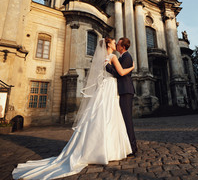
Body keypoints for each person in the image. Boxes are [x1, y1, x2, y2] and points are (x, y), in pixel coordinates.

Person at [12, 37, 134, 180]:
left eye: (116, 42)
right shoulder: (112, 56)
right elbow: (121, 73)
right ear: (108, 44)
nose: (115, 44)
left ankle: (98, 147)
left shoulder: (102, 58)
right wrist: (132, 67)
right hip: (110, 88)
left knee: (99, 116)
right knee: (109, 116)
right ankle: (110, 148)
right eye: (114, 42)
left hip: (104, 89)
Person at [106, 37, 137, 156]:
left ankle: (132, 147)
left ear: (123, 47)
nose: (117, 46)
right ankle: (127, 145)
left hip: (126, 90)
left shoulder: (127, 57)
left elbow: (120, 74)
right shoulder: (122, 57)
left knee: (127, 119)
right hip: (122, 90)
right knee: (123, 119)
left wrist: (107, 66)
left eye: (118, 44)